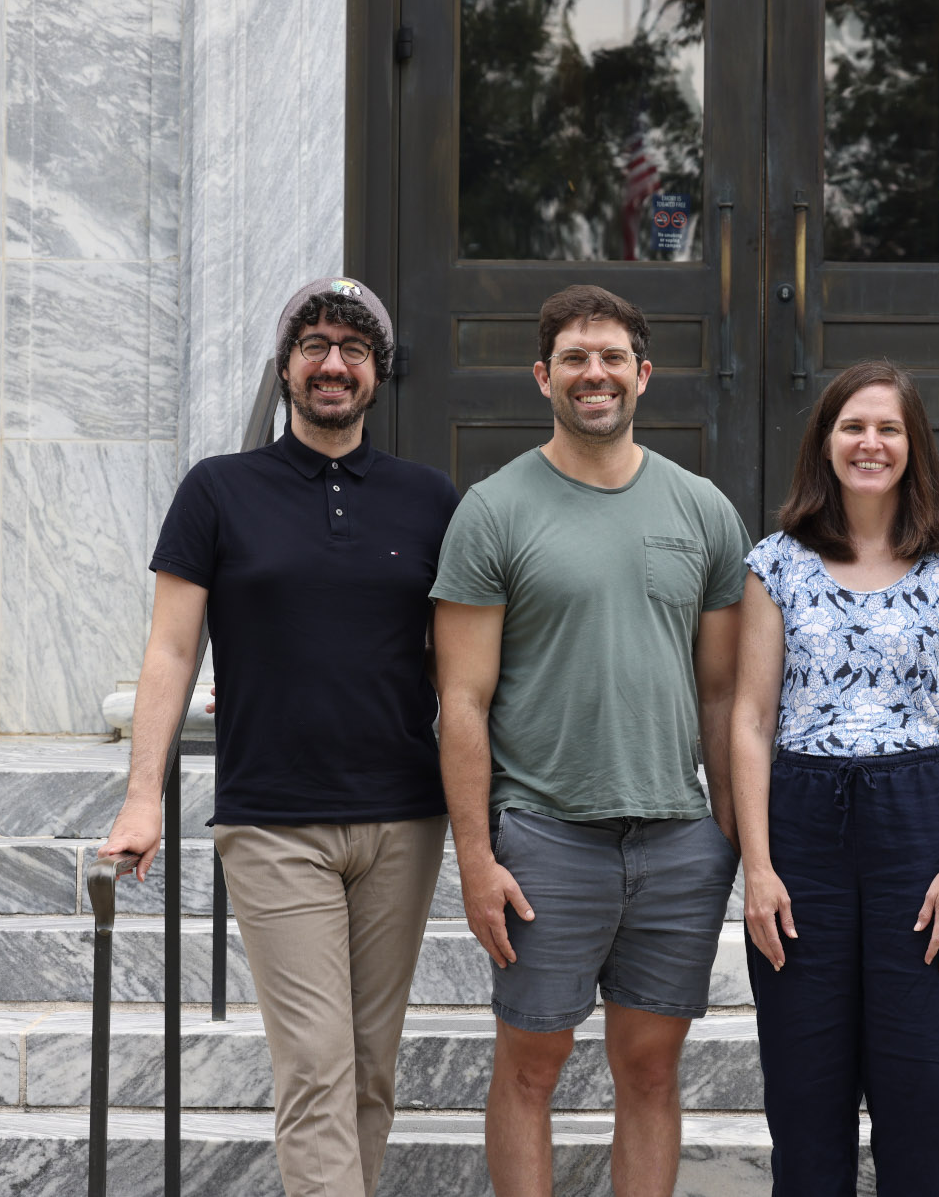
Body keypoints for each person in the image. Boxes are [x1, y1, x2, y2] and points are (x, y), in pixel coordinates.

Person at [99, 277, 459, 1197]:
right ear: (287, 365)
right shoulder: (219, 489)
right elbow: (172, 651)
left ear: (379, 373)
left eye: (354, 349)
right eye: (315, 347)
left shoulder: (430, 501)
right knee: (314, 1067)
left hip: (403, 819)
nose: (333, 364)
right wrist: (143, 798)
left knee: (371, 1069)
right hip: (272, 818)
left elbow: (460, 668)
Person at [430, 284, 749, 1197]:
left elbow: (724, 695)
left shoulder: (703, 511)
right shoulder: (494, 511)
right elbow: (461, 699)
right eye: (574, 358)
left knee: (649, 1072)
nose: (594, 374)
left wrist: (733, 836)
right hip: (544, 836)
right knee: (531, 1069)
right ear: (543, 377)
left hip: (678, 841)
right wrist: (477, 858)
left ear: (643, 375)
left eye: (612, 358)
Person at [732, 358, 939, 1196]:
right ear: (825, 442)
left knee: (923, 1095)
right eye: (853, 426)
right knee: (806, 1101)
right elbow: (749, 718)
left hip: (918, 831)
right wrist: (760, 867)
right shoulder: (777, 562)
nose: (870, 443)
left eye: (888, 428)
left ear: (913, 445)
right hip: (802, 830)